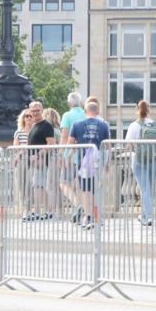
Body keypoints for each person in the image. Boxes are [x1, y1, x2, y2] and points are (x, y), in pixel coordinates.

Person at [67, 100, 111, 231]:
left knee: (85, 190)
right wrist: (107, 163)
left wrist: (68, 157)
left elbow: (69, 145)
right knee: (95, 190)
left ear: (85, 112)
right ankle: (96, 217)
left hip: (83, 163)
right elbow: (108, 146)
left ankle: (89, 217)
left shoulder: (77, 125)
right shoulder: (104, 125)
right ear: (98, 112)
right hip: (98, 162)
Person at [125, 100, 156, 226]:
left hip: (139, 159)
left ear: (137, 109)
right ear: (149, 109)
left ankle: (149, 216)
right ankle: (145, 215)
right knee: (150, 189)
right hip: (155, 160)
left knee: (144, 188)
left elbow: (128, 145)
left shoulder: (134, 125)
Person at [25, 101, 56, 221]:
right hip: (34, 162)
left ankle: (38, 211)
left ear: (42, 110)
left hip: (41, 162)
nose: (35, 113)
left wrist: (38, 156)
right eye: (33, 111)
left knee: (38, 186)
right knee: (39, 186)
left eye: (37, 110)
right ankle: (48, 211)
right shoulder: (34, 125)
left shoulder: (46, 125)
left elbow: (51, 144)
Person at [59, 93, 86, 221]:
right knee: (81, 185)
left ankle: (77, 205)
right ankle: (82, 210)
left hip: (71, 155)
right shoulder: (85, 114)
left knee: (64, 183)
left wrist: (62, 154)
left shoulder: (67, 115)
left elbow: (64, 136)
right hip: (86, 154)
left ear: (69, 103)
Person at [13, 108, 35, 220]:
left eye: (31, 116)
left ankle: (30, 209)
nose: (29, 118)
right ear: (23, 118)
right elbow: (16, 147)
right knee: (22, 185)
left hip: (34, 160)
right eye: (27, 116)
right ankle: (25, 210)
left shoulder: (35, 131)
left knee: (30, 185)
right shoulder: (19, 132)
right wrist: (22, 150)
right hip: (22, 160)